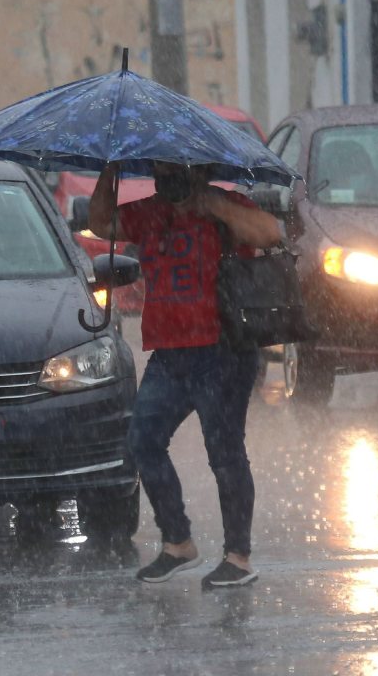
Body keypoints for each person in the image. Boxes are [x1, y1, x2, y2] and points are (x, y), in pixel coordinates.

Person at [88, 160, 282, 589]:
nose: (165, 175)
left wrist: (213, 205)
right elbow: (101, 223)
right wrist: (110, 169)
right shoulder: (151, 211)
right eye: (158, 167)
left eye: (174, 166)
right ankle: (177, 543)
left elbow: (270, 234)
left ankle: (238, 556)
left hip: (223, 350)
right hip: (170, 353)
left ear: (197, 169)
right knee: (142, 440)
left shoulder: (224, 205)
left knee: (225, 452)